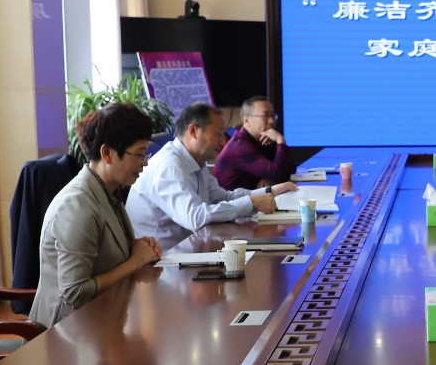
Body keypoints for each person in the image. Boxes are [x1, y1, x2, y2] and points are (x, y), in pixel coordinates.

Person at [30, 103, 162, 328]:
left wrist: (137, 248)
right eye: (139, 155)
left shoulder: (108, 191)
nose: (145, 163)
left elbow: (103, 255)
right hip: (65, 333)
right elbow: (75, 292)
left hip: (105, 318)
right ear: (107, 153)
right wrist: (134, 262)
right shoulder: (77, 206)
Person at [127, 102, 298, 247]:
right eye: (217, 134)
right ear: (193, 131)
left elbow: (221, 197)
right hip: (163, 260)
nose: (223, 142)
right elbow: (195, 217)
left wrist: (269, 192)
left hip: (191, 247)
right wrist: (251, 202)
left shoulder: (194, 160)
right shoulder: (170, 166)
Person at [214, 96, 296, 190]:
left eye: (273, 115)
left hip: (250, 196)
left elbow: (290, 167)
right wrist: (280, 140)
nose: (272, 121)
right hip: (231, 199)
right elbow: (276, 173)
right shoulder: (240, 146)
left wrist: (270, 177)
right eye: (265, 115)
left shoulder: (264, 138)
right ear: (246, 120)